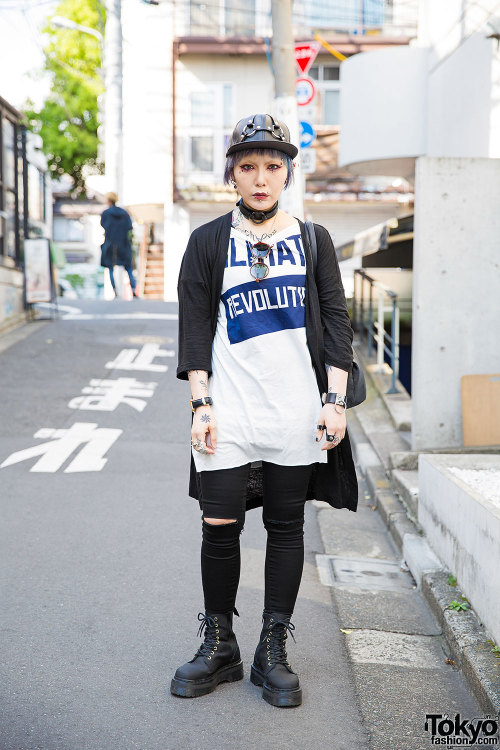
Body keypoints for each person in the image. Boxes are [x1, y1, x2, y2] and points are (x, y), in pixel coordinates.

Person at [172, 113, 358, 708]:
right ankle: (219, 642)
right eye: (248, 167)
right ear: (232, 173)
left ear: (287, 174)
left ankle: (271, 649)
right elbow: (195, 327)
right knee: (219, 522)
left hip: (295, 411)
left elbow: (335, 321)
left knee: (285, 526)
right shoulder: (208, 242)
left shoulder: (312, 239)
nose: (260, 178)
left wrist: (335, 400)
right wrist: (199, 401)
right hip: (228, 408)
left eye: (272, 166)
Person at [100, 192, 139, 298]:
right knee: (128, 268)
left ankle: (115, 291)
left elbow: (103, 225)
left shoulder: (106, 213)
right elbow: (130, 227)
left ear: (108, 200)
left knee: (110, 268)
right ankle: (134, 290)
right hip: (124, 243)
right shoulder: (124, 213)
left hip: (110, 243)